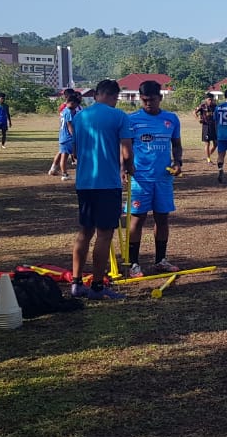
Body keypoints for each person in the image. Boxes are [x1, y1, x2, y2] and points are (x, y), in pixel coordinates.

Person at [70, 79, 133, 300]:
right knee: (104, 234)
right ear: (114, 96)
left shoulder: (79, 116)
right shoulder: (119, 116)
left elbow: (74, 150)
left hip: (84, 183)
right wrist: (130, 168)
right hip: (107, 184)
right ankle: (97, 286)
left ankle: (76, 283)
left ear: (96, 94)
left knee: (85, 232)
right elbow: (126, 151)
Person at [125, 81, 183, 277]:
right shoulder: (131, 120)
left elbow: (176, 144)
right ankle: (133, 262)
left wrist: (178, 162)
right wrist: (123, 168)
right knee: (137, 219)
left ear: (161, 98)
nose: (148, 103)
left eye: (152, 99)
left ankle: (161, 260)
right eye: (144, 100)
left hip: (163, 178)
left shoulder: (171, 119)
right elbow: (124, 148)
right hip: (140, 178)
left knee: (162, 218)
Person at [49, 92, 81, 179]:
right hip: (68, 137)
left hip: (63, 136)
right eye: (76, 105)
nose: (76, 107)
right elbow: (69, 125)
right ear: (72, 103)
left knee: (64, 155)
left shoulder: (64, 111)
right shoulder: (69, 112)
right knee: (75, 154)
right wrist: (74, 136)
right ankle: (66, 174)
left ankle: (64, 174)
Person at [194, 93, 218, 164]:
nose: (210, 101)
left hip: (214, 126)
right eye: (209, 99)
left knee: (216, 144)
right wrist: (198, 119)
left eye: (212, 99)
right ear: (206, 100)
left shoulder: (215, 106)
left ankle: (208, 156)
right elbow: (194, 112)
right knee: (207, 143)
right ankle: (208, 159)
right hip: (206, 126)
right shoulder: (202, 106)